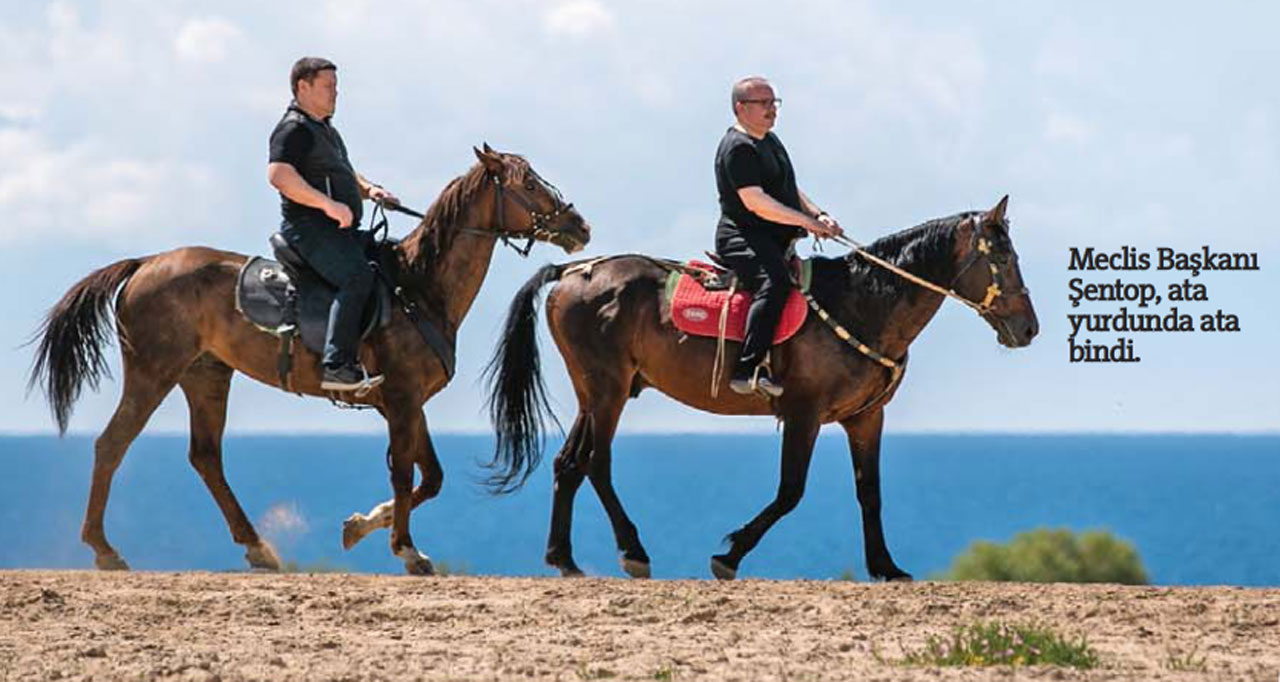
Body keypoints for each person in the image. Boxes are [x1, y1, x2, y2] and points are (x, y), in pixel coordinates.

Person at [267, 57, 399, 392]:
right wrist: (328, 205)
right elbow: (279, 175)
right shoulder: (293, 129)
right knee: (357, 276)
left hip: (336, 229)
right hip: (308, 229)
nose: (335, 94)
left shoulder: (326, 130)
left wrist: (370, 190)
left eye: (336, 87)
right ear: (303, 87)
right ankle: (337, 365)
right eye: (328, 87)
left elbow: (344, 173)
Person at [714, 76, 844, 397]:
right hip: (742, 237)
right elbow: (757, 202)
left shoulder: (770, 141)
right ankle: (747, 369)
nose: (772, 110)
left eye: (774, 103)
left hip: (773, 238)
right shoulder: (738, 148)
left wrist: (818, 215)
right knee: (775, 283)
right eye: (764, 103)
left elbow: (789, 190)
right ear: (740, 108)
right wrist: (807, 223)